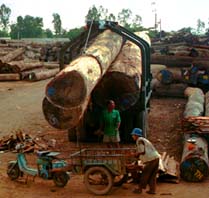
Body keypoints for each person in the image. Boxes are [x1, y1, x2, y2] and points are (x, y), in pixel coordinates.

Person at [130, 128, 160, 195]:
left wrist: (134, 154)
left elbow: (142, 151)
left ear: (136, 135)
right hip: (156, 158)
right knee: (152, 176)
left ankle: (139, 189)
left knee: (145, 174)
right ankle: (152, 190)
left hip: (151, 160)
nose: (132, 136)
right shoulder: (144, 140)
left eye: (133, 135)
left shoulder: (139, 140)